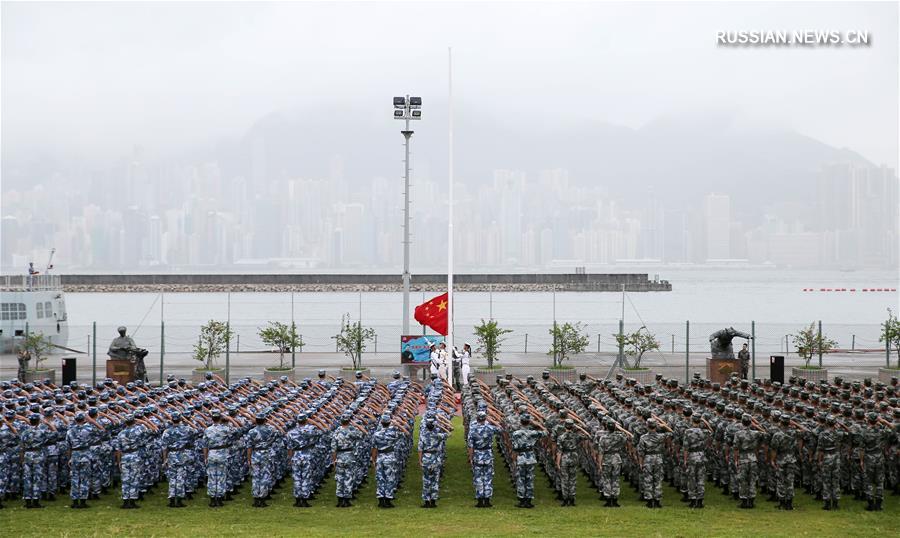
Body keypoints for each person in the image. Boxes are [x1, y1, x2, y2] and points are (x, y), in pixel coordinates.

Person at [160, 412, 197, 508]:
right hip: (182, 454)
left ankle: (172, 500)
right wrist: (186, 421)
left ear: (171, 420)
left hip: (171, 455)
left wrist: (165, 460)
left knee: (172, 478)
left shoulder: (167, 431)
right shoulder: (187, 429)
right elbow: (196, 432)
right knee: (180, 478)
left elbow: (164, 448)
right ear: (180, 419)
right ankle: (179, 500)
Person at [510, 414, 547, 508]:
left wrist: (514, 461)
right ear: (528, 422)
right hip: (530, 457)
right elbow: (546, 432)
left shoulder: (516, 433)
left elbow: (514, 448)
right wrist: (537, 424)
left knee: (521, 479)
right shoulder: (533, 433)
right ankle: (529, 500)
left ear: (520, 422)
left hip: (520, 457)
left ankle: (522, 500)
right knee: (529, 479)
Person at [286, 412, 321, 508]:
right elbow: (322, 431)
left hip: (296, 455)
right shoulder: (311, 430)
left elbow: (289, 448)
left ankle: (297, 500)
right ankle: (304, 500)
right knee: (306, 478)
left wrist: (290, 459)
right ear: (306, 420)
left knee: (297, 478)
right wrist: (311, 422)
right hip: (307, 455)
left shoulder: (291, 432)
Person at [467, 409, 500, 508]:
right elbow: (501, 428)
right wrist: (491, 420)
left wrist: (471, 457)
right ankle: (487, 500)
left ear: (477, 418)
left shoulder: (472, 429)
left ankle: (480, 500)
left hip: (477, 454)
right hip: (488, 454)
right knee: (488, 478)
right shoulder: (490, 428)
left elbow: (470, 446)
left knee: (478, 478)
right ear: (485, 418)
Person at [114, 413, 147, 509]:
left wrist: (119, 461)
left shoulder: (120, 434)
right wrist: (141, 421)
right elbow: (151, 430)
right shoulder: (139, 430)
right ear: (134, 421)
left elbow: (118, 450)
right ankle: (132, 501)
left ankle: (125, 501)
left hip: (124, 456)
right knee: (134, 479)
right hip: (135, 455)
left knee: (125, 479)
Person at [203, 409, 234, 508]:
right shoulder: (226, 429)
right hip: (222, 453)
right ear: (220, 418)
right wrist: (229, 419)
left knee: (212, 477)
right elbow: (238, 431)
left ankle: (212, 499)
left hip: (211, 453)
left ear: (212, 419)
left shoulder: (207, 430)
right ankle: (219, 499)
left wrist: (205, 457)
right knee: (221, 477)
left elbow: (204, 445)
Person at [331, 413, 363, 508]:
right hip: (350, 457)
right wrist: (356, 425)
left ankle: (340, 500)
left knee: (340, 479)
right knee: (348, 478)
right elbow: (362, 435)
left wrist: (334, 460)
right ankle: (346, 500)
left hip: (340, 457)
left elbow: (333, 448)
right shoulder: (352, 430)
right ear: (349, 421)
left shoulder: (336, 432)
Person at [418, 416, 449, 508]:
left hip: (426, 459)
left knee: (426, 480)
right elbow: (449, 433)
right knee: (435, 480)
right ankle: (434, 501)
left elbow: (420, 449)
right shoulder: (438, 435)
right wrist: (441, 426)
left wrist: (419, 461)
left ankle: (427, 501)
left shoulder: (423, 436)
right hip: (436, 458)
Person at [372, 414, 401, 508]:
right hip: (390, 457)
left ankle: (381, 500)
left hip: (380, 457)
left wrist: (373, 459)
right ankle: (388, 500)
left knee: (380, 478)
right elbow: (404, 433)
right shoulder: (394, 433)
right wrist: (396, 424)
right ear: (389, 422)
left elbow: (374, 448)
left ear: (381, 423)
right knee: (390, 479)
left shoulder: (376, 434)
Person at [637, 419, 668, 508]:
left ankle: (650, 501)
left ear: (647, 426)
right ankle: (657, 501)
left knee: (648, 480)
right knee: (658, 480)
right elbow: (672, 432)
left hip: (648, 459)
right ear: (656, 426)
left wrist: (640, 463)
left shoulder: (643, 438)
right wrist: (664, 426)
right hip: (658, 459)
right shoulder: (661, 436)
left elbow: (641, 452)